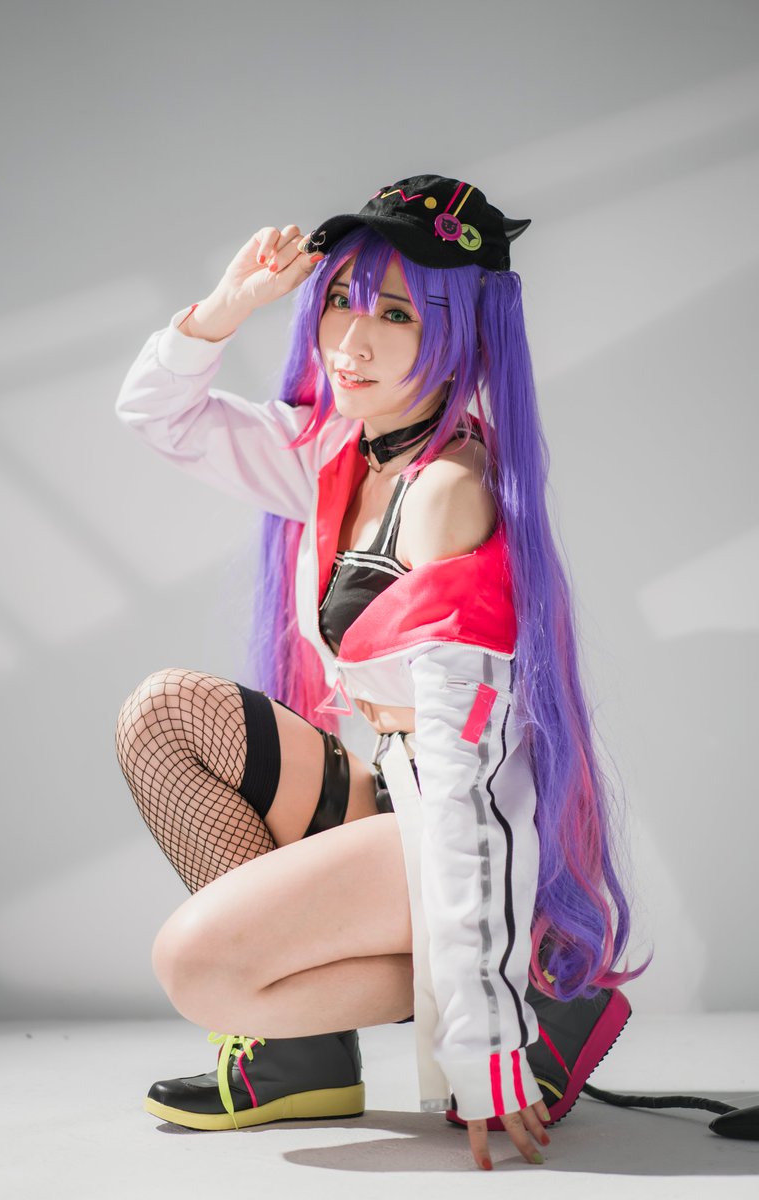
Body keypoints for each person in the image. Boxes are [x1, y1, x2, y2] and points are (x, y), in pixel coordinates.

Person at [114, 173, 653, 1171]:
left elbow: (467, 796)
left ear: (461, 330)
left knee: (196, 966)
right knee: (164, 715)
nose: (350, 344)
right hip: (392, 795)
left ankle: (535, 994)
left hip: (460, 816)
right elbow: (157, 413)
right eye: (339, 304)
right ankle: (303, 1056)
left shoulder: (446, 493)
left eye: (395, 315)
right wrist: (228, 305)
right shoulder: (340, 453)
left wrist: (483, 1049)